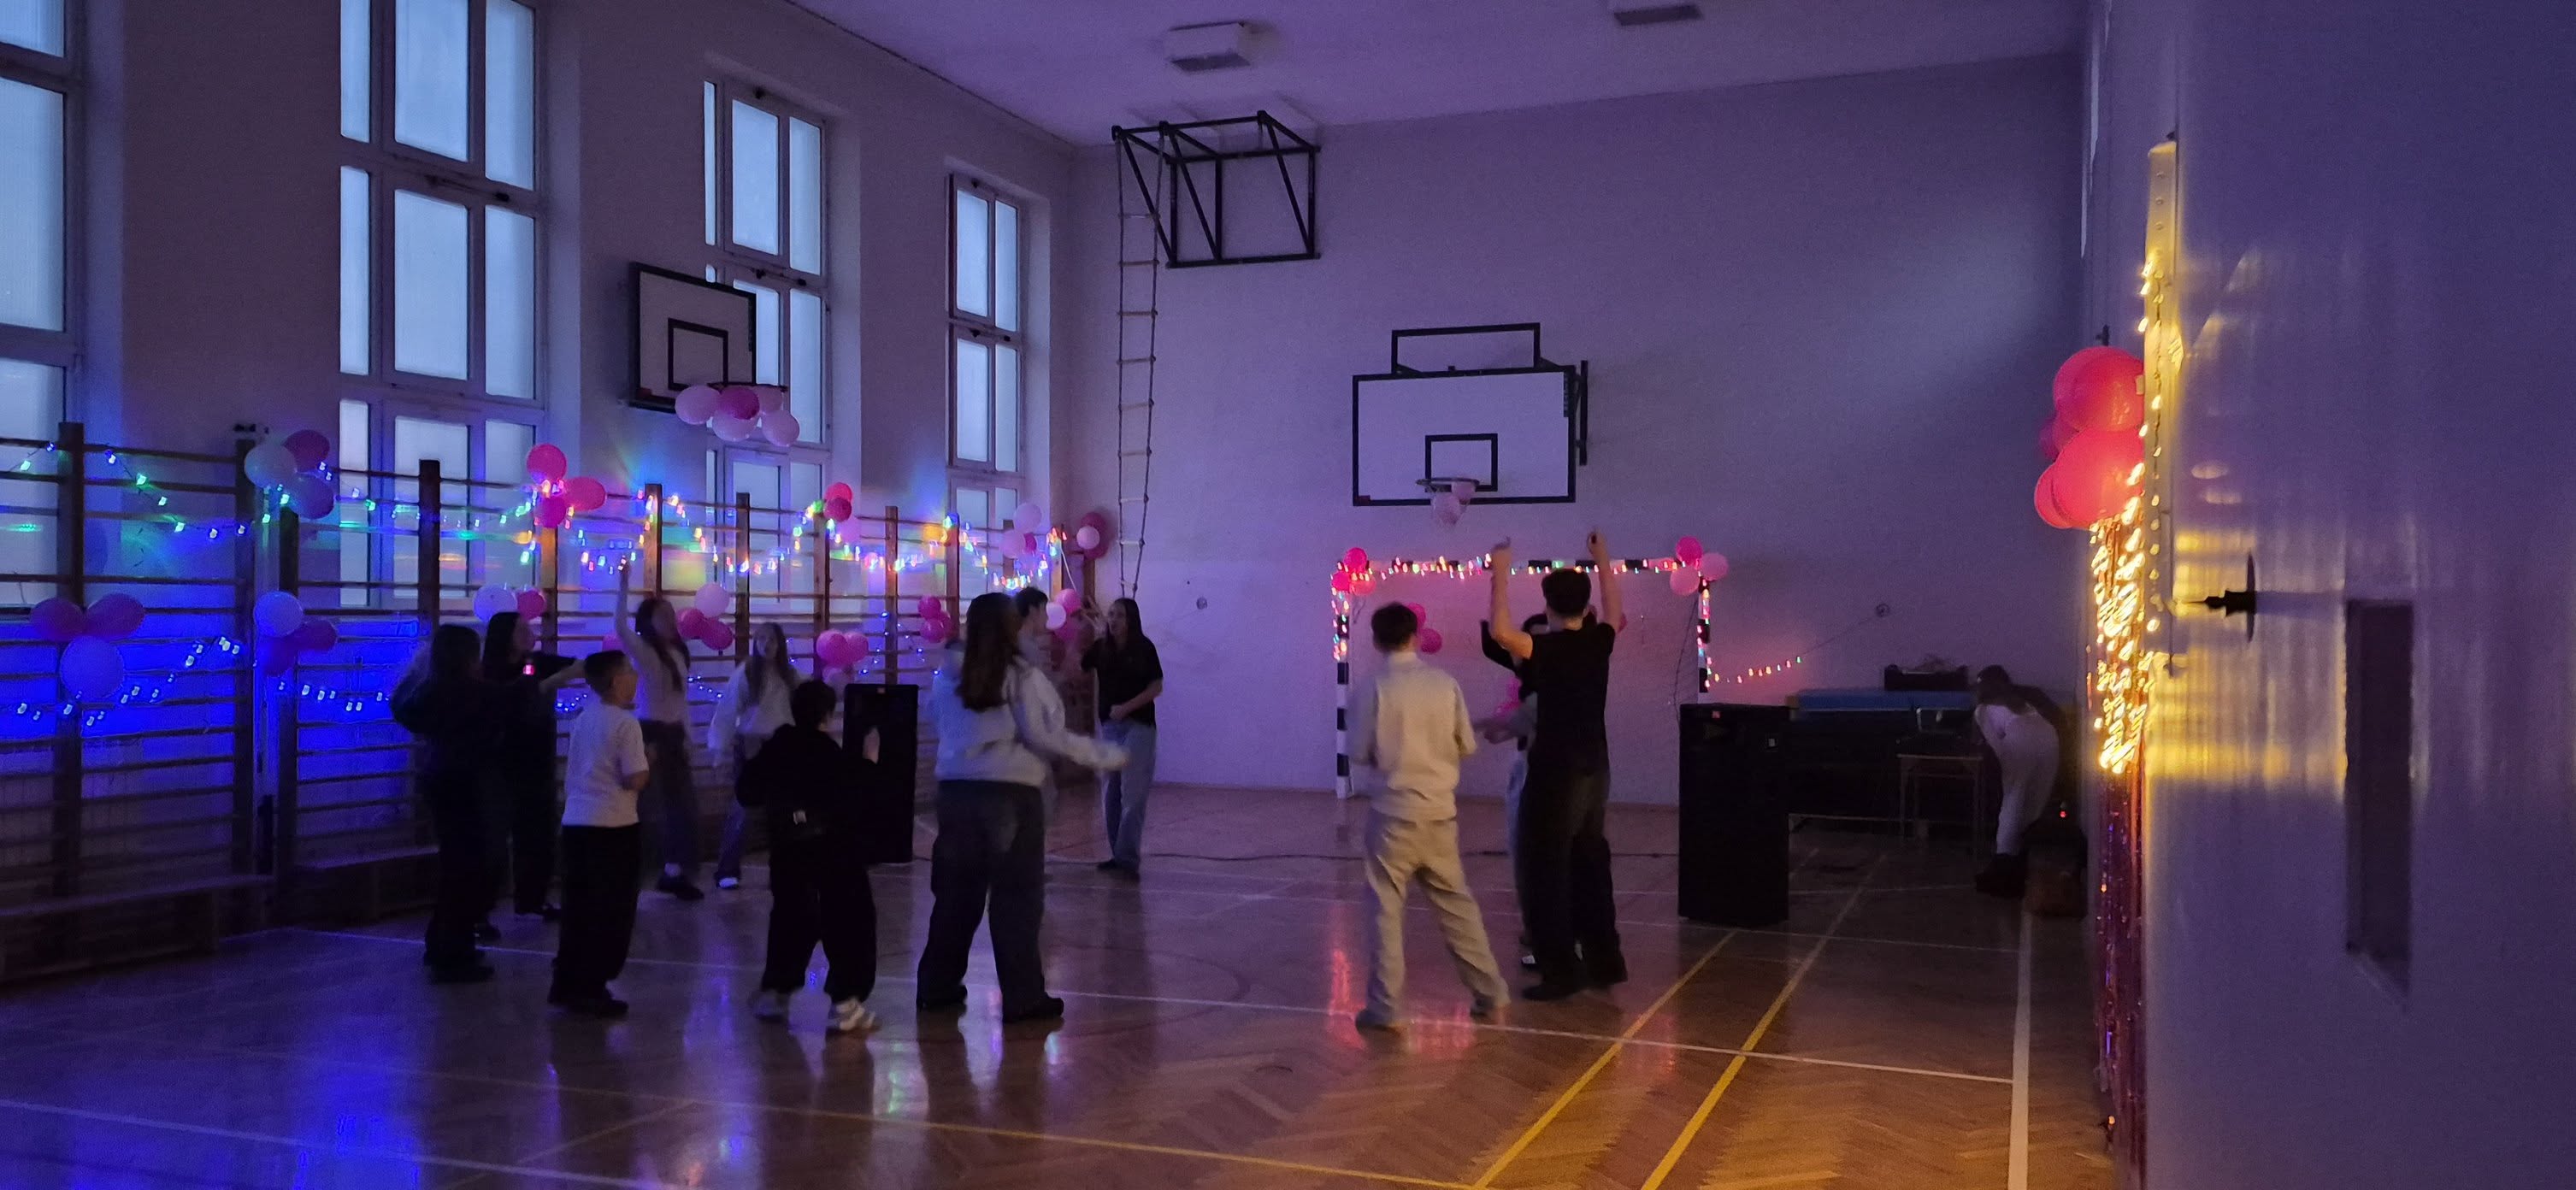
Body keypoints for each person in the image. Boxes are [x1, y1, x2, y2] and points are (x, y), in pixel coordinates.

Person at [917, 592, 1129, 1024]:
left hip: (956, 795)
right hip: (1010, 794)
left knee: (955, 898)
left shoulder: (947, 677)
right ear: (1012, 627)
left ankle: (936, 988)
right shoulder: (1020, 675)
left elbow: (934, 720)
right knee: (1016, 899)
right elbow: (1045, 734)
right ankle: (1023, 996)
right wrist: (1102, 755)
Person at [1348, 603, 1511, 1032]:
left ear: (1376, 640)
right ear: (1416, 636)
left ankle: (1385, 1007)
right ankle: (1490, 993)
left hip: (1391, 815)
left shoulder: (1371, 687)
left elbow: (1358, 752)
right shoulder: (1444, 683)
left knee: (1385, 911)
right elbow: (1466, 745)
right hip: (1440, 814)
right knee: (1457, 907)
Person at [1485, 533, 1628, 1001]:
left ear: (1547, 607)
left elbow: (1501, 631)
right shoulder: (1599, 641)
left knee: (1544, 868)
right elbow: (1614, 609)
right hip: (1596, 766)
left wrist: (1500, 569)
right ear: (1586, 607)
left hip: (1555, 770)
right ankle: (1605, 961)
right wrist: (1602, 558)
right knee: (1590, 862)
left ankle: (1561, 971)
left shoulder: (1546, 649)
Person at [742, 680, 881, 1034]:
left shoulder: (777, 747)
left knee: (790, 920)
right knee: (849, 923)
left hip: (787, 851)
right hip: (834, 854)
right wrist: (869, 763)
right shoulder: (828, 753)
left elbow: (746, 792)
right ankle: (846, 1003)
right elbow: (854, 800)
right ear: (828, 715)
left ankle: (776, 993)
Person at [392, 623, 499, 984]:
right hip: (463, 783)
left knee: (455, 868)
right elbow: (505, 709)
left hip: (439, 778)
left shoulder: (428, 691)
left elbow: (403, 707)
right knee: (466, 869)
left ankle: (442, 944)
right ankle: (453, 952)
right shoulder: (466, 692)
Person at [551, 651, 651, 1018]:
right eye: (629, 671)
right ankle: (592, 986)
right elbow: (633, 778)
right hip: (613, 825)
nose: (635, 677)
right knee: (611, 910)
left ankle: (568, 983)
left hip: (576, 822)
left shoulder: (584, 717)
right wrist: (650, 761)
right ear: (615, 681)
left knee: (579, 909)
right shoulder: (626, 724)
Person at [480, 611, 582, 926]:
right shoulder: (489, 672)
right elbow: (514, 700)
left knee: (539, 835)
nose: (530, 633)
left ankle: (532, 900)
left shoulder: (536, 661)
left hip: (538, 761)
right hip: (502, 765)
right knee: (494, 842)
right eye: (521, 629)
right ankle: (479, 913)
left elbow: (577, 666)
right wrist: (548, 683)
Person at [616, 568, 704, 900]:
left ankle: (674, 871)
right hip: (651, 733)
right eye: (662, 615)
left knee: (681, 806)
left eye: (671, 614)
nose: (670, 620)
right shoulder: (644, 651)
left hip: (673, 733)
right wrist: (624, 586)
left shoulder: (677, 654)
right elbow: (620, 627)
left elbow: (680, 703)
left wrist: (688, 737)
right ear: (648, 622)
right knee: (651, 807)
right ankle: (639, 873)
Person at [1477, 611, 1552, 972]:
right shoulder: (1533, 678)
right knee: (1528, 853)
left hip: (1543, 773)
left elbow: (1523, 719)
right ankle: (1540, 930)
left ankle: (1549, 938)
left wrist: (1487, 726)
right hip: (1532, 766)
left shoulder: (1549, 684)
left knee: (1534, 855)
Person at [710, 622, 798, 891]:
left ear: (780, 644)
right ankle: (727, 869)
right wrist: (718, 750)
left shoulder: (790, 675)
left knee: (783, 812)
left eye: (772, 640)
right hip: (752, 746)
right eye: (761, 639)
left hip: (782, 746)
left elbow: (810, 694)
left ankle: (783, 870)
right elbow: (727, 710)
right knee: (742, 810)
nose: (766, 644)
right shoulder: (747, 672)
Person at [1082, 597, 1164, 877]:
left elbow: (1156, 687)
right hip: (1111, 728)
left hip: (1138, 727)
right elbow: (1077, 667)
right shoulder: (1101, 648)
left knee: (1133, 793)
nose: (1113, 620)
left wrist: (1126, 708)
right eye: (1111, 614)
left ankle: (1128, 858)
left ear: (1131, 620)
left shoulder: (1144, 648)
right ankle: (1117, 855)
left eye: (1119, 615)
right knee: (1111, 792)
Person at [1972, 668, 2062, 898]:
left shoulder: (1983, 710)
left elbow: (1997, 746)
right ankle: (2021, 864)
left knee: (2013, 801)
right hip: (2049, 738)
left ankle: (2003, 865)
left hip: (2020, 742)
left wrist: (2006, 770)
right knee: (2034, 803)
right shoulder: (2024, 699)